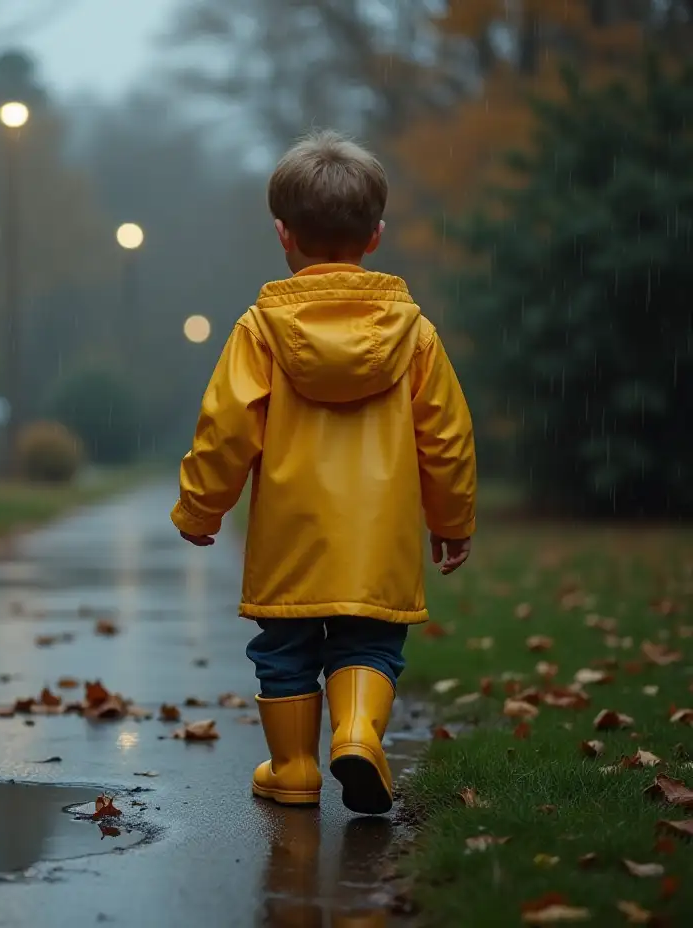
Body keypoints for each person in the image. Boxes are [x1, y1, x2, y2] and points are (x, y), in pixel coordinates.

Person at [170, 129, 477, 816]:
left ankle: (295, 767)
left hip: (291, 537)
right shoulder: (414, 333)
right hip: (379, 541)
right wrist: (452, 520)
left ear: (284, 234)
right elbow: (447, 437)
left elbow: (225, 428)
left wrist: (200, 510)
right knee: (369, 642)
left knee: (284, 650)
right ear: (376, 236)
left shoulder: (260, 331)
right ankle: (359, 732)